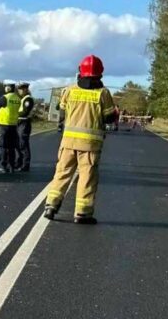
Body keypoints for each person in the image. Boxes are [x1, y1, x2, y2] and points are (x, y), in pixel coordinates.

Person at [43, 55, 117, 224]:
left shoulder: (69, 90)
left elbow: (61, 113)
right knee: (86, 177)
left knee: (62, 173)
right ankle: (82, 213)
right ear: (100, 73)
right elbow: (109, 117)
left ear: (80, 72)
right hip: (90, 145)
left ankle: (50, 206)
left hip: (68, 143)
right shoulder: (103, 93)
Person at [0, 83, 21, 173]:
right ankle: (11, 166)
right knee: (11, 147)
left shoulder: (5, 98)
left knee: (2, 146)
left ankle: (3, 167)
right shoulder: (17, 99)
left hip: (4, 125)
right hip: (14, 125)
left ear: (7, 88)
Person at [15, 82, 34, 172]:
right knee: (18, 144)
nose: (20, 91)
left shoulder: (28, 99)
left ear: (26, 89)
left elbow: (25, 111)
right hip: (19, 122)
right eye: (19, 89)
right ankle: (19, 162)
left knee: (23, 144)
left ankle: (25, 165)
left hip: (24, 122)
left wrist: (15, 114)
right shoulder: (22, 99)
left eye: (22, 89)